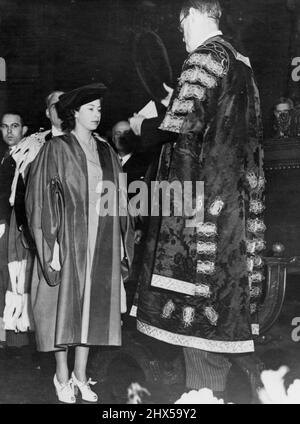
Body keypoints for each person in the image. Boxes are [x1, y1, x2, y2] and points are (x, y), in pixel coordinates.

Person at [129, 0, 264, 396]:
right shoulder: (240, 61)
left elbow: (183, 134)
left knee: (195, 314)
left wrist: (144, 126)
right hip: (234, 207)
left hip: (199, 208)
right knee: (223, 314)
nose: (181, 33)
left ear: (192, 14)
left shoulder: (202, 58)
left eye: (181, 24)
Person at [25, 83, 134, 403]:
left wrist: (120, 242)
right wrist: (51, 243)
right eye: (90, 109)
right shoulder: (56, 149)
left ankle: (81, 375)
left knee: (93, 309)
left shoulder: (106, 151)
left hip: (100, 242)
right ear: (73, 112)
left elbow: (119, 200)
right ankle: (61, 376)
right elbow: (42, 199)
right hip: (67, 241)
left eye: (100, 108)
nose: (97, 114)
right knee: (63, 308)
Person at [0, 111, 31, 356]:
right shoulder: (5, 158)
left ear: (24, 130)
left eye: (14, 126)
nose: (9, 131)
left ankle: (18, 340)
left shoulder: (27, 157)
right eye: (5, 127)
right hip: (4, 225)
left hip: (15, 227)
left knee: (16, 277)